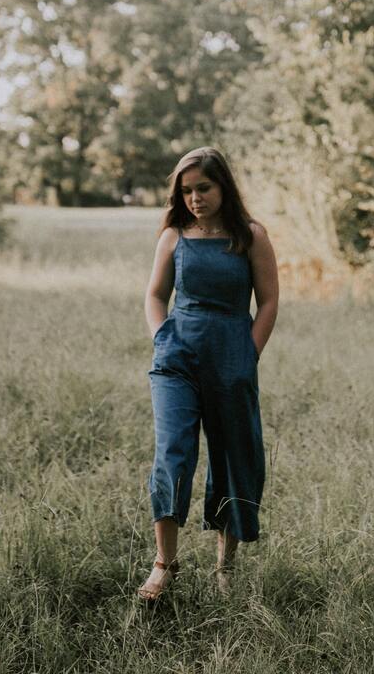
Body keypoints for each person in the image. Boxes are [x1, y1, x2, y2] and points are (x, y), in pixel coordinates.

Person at [137, 146, 279, 601]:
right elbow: (155, 295)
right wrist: (163, 338)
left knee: (233, 457)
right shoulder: (174, 236)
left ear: (223, 187)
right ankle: (165, 564)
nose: (195, 198)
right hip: (177, 359)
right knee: (172, 453)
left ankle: (225, 569)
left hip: (231, 360)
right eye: (187, 190)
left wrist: (248, 355)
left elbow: (269, 301)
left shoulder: (250, 235)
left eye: (204, 188)